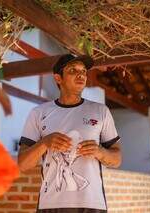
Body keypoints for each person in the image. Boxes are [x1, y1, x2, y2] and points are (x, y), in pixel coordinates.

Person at [18, 54, 122, 213]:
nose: (81, 75)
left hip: (92, 204)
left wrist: (99, 152)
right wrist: (45, 143)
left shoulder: (101, 111)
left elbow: (117, 159)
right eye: (73, 70)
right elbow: (23, 164)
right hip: (50, 204)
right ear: (58, 78)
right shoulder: (38, 113)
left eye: (84, 71)